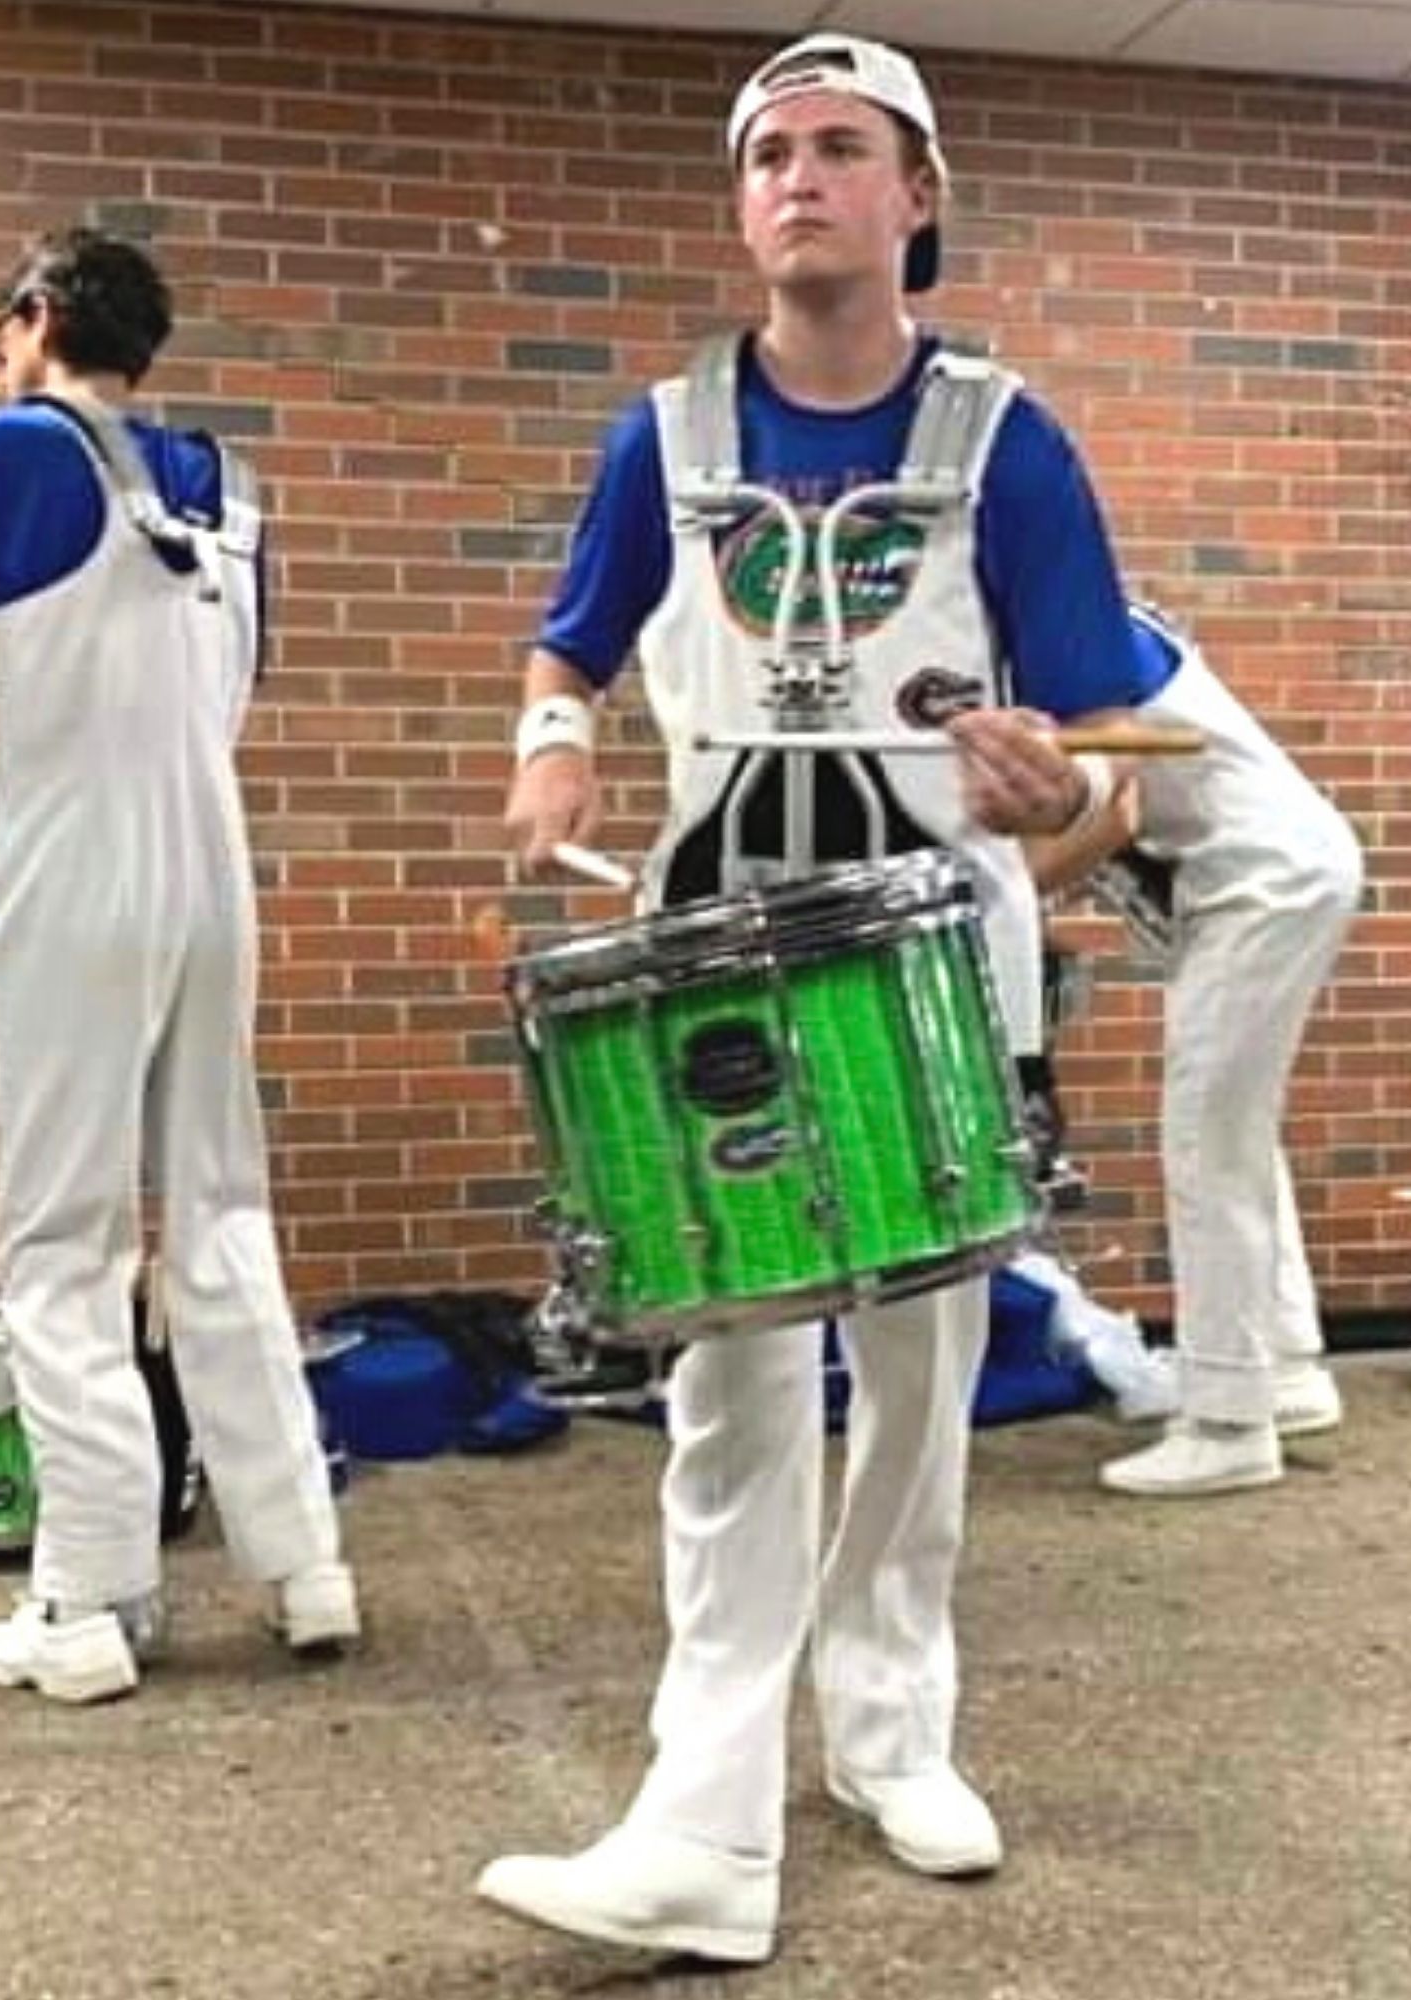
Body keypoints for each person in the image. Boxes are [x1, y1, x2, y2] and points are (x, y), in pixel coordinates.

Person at [478, 33, 1160, 1965]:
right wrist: (552, 750)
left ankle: (891, 1731)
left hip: (934, 944)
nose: (799, 178)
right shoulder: (667, 432)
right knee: (735, 1377)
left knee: (929, 1380)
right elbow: (571, 637)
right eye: (770, 151)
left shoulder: (1008, 437)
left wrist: (1067, 796)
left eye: (841, 148)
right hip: (716, 937)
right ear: (743, 200)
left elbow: (1106, 733)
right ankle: (699, 1821)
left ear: (914, 194)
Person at [0, 227, 359, 1702]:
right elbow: (155, 646)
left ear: (37, 319)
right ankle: (303, 1568)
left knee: (63, 1241)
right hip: (205, 866)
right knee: (221, 1216)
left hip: (68, 870)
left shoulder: (14, 450)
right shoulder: (226, 483)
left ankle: (85, 1598)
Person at [1027, 601, 1362, 1497]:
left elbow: (1118, 805)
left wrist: (1006, 894)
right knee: (1234, 1136)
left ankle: (1226, 1423)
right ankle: (1283, 1373)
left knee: (1205, 1141)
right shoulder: (1096, 623)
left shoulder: (1074, 630)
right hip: (1268, 880)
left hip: (1260, 888)